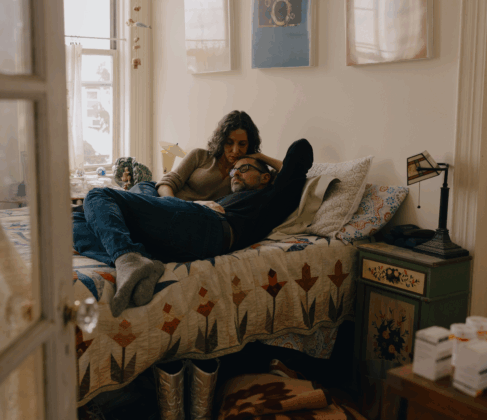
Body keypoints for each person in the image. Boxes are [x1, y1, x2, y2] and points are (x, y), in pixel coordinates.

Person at [73, 139, 313, 317]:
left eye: (244, 169)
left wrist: (258, 156)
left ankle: (126, 257)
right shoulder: (228, 198)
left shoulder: (273, 196)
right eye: (233, 170)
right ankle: (137, 258)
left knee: (98, 195)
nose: (235, 174)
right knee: (75, 216)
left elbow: (301, 150)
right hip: (191, 228)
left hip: (211, 227)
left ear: (266, 178)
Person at [129, 110, 284, 200]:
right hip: (160, 195)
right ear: (221, 141)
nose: (235, 150)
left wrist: (261, 157)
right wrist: (172, 205)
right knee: (118, 200)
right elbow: (166, 183)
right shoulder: (200, 156)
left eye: (242, 144)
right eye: (229, 143)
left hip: (192, 213)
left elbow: (288, 170)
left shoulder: (247, 172)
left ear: (250, 144)